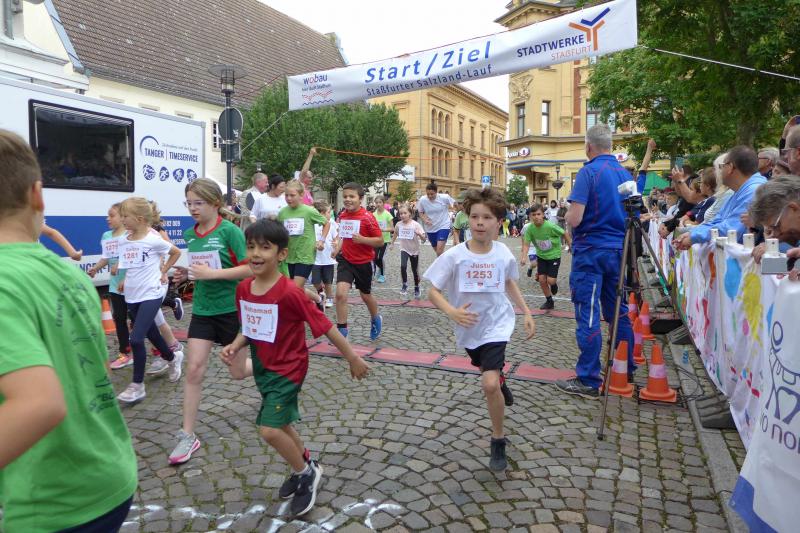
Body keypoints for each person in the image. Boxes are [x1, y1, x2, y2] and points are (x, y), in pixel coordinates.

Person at [0, 130, 137, 533]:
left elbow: (39, 403)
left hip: (51, 503)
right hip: (109, 473)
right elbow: (93, 367)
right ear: (37, 196)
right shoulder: (70, 274)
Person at [220, 219, 369, 516]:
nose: (256, 253)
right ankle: (307, 463)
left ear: (282, 254)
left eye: (265, 247)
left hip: (289, 369)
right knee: (282, 424)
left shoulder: (290, 293)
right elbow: (248, 326)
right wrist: (235, 345)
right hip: (264, 368)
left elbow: (326, 327)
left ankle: (305, 474)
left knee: (269, 430)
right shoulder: (244, 289)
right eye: (251, 247)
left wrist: (352, 357)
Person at [424, 187, 535, 471]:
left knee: (488, 383)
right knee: (487, 371)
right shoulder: (454, 256)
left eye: (487, 217)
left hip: (497, 324)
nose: (480, 223)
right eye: (475, 217)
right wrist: (452, 311)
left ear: (499, 222)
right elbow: (433, 291)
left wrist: (526, 312)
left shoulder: (503, 253)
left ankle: (498, 439)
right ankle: (499, 379)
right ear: (467, 219)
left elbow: (508, 282)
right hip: (469, 328)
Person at [168, 178, 253, 464]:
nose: (192, 208)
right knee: (194, 370)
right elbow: (200, 269)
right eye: (189, 203)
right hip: (203, 310)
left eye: (198, 203)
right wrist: (187, 274)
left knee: (237, 372)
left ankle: (273, 367)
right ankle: (187, 435)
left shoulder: (230, 231)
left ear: (216, 204)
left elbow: (250, 270)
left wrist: (212, 274)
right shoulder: (190, 234)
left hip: (231, 309)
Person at [555, 123, 635, 399]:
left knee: (588, 313)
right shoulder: (624, 173)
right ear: (610, 146)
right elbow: (635, 214)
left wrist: (567, 216)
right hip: (618, 250)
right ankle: (624, 367)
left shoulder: (588, 172)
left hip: (591, 250)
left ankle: (588, 379)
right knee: (618, 311)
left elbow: (576, 218)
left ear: (589, 146)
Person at [116, 198, 184, 403]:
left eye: (125, 216)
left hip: (152, 293)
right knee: (152, 333)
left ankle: (137, 386)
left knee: (136, 338)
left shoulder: (153, 239)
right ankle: (172, 357)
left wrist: (164, 271)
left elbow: (176, 252)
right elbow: (129, 264)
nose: (122, 219)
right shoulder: (124, 240)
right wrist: (123, 279)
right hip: (132, 295)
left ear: (139, 218)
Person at [674, 146, 767, 250]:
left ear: (730, 167)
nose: (718, 172)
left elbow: (731, 229)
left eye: (721, 166)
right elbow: (717, 220)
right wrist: (693, 234)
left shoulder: (754, 191)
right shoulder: (740, 191)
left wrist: (694, 236)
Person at [333, 182, 384, 339]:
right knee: (340, 294)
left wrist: (363, 240)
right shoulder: (343, 215)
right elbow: (343, 236)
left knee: (365, 295)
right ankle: (342, 331)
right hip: (346, 260)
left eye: (352, 196)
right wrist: (337, 249)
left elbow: (380, 241)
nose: (348, 199)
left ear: (360, 199)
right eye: (345, 196)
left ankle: (375, 318)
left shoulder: (368, 217)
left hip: (364, 262)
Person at [88, 203, 131, 364]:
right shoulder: (106, 236)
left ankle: (156, 348)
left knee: (137, 318)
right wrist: (95, 268)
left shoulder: (130, 234)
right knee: (119, 317)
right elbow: (106, 257)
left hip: (132, 283)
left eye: (112, 215)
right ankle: (125, 352)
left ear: (122, 217)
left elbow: (134, 257)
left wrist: (121, 266)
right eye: (108, 215)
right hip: (115, 284)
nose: (108, 218)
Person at [278, 180, 330, 290]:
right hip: (289, 255)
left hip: (305, 255)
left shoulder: (309, 211)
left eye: (292, 195)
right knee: (295, 288)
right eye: (286, 195)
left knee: (295, 287)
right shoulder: (282, 212)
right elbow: (279, 231)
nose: (289, 198)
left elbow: (326, 223)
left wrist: (321, 240)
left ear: (301, 195)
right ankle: (318, 298)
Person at [521, 203, 571, 310]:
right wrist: (524, 257)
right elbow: (526, 244)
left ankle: (553, 284)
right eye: (533, 215)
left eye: (538, 214)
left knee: (550, 281)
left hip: (554, 256)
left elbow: (564, 233)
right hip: (541, 256)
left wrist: (571, 246)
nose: (536, 217)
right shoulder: (530, 229)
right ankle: (549, 301)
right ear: (530, 216)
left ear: (543, 215)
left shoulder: (550, 226)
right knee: (542, 280)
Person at [391, 204, 427, 299]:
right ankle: (405, 284)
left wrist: (420, 235)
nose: (402, 215)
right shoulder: (398, 224)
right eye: (401, 213)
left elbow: (424, 239)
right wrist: (392, 243)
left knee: (414, 270)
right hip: (404, 249)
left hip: (414, 250)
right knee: (403, 266)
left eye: (405, 213)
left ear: (410, 214)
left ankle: (416, 287)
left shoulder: (416, 225)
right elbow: (395, 233)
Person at [312, 200, 338, 308]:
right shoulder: (313, 223)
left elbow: (336, 237)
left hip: (327, 258)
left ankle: (329, 297)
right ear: (321, 213)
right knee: (315, 281)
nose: (330, 214)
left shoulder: (331, 223)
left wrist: (336, 243)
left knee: (328, 281)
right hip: (315, 258)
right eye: (328, 212)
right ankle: (320, 291)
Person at [417, 182, 454, 256]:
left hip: (444, 225)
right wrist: (425, 220)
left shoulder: (444, 197)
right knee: (437, 251)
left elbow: (455, 204)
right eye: (428, 194)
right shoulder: (423, 200)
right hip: (431, 228)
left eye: (432, 194)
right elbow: (420, 212)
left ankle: (441, 263)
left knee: (439, 250)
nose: (430, 196)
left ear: (436, 192)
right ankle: (445, 260)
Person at [372, 196, 394, 283]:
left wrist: (383, 229)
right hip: (375, 239)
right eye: (376, 202)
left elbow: (392, 228)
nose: (378, 204)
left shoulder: (387, 214)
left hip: (384, 240)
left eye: (380, 202)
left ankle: (382, 275)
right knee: (374, 257)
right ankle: (374, 273)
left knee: (380, 258)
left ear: (383, 203)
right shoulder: (373, 215)